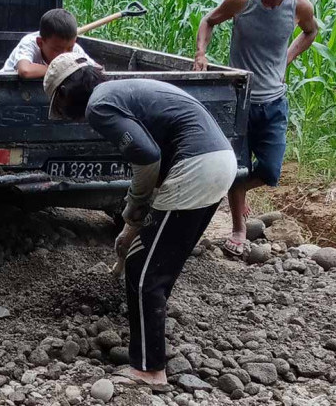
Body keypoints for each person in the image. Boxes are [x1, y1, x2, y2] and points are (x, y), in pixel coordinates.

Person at [44, 52, 237, 390]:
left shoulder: (99, 105)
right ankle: (151, 349)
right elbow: (157, 158)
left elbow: (147, 158)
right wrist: (132, 228)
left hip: (196, 167)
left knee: (143, 270)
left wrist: (133, 208)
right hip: (218, 162)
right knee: (157, 263)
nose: (66, 114)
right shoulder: (123, 91)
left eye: (58, 104)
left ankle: (148, 369)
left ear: (64, 93)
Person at [193, 0, 318, 256]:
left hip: (274, 101)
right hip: (240, 100)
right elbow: (208, 21)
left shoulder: (300, 6)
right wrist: (201, 53)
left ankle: (236, 188)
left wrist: (287, 59)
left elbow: (310, 32)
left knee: (270, 171)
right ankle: (237, 228)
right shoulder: (243, 0)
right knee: (238, 165)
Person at [0, 8, 94, 78]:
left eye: (69, 49)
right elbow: (25, 70)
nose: (65, 55)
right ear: (40, 43)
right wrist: (62, 69)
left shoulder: (74, 48)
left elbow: (95, 69)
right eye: (57, 50)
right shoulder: (29, 42)